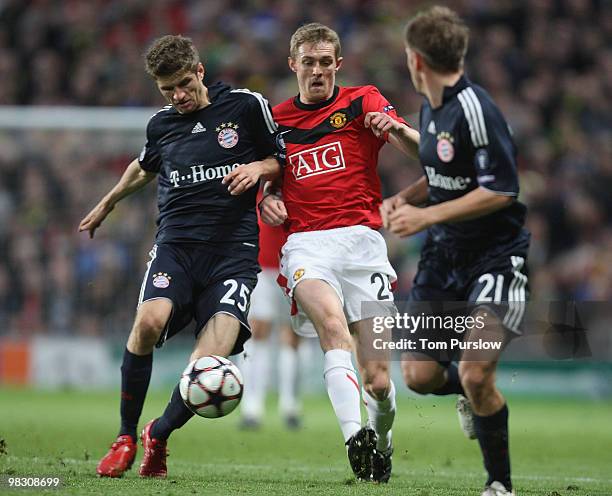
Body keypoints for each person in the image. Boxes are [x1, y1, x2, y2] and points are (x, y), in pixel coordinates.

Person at [79, 34, 284, 479]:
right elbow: (144, 166)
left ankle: (160, 433)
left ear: (200, 73)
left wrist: (258, 169)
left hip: (234, 254)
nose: (179, 96)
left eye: (185, 85)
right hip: (176, 247)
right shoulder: (162, 124)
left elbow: (280, 159)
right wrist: (108, 201)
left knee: (208, 364)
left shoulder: (246, 107)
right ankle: (125, 435)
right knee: (148, 323)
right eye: (167, 89)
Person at [225, 22, 419, 483]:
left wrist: (394, 127)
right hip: (307, 244)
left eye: (325, 62)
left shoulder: (363, 100)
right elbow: (264, 178)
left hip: (364, 245)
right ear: (293, 65)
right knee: (332, 326)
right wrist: (265, 199)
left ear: (338, 64)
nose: (317, 71)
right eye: (308, 63)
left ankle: (381, 440)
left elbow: (423, 152)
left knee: (379, 382)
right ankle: (355, 438)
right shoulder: (275, 121)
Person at [372, 7, 529, 496]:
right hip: (444, 260)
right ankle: (466, 391)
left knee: (476, 370)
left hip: (495, 257)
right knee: (419, 377)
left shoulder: (476, 109)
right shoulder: (430, 106)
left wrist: (425, 217)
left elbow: (501, 190)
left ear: (415, 59)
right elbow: (443, 176)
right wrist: (406, 198)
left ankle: (498, 484)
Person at [240, 199, 302, 430]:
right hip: (262, 264)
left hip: (293, 263)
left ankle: (290, 406)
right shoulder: (262, 174)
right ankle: (252, 407)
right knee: (259, 332)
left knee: (291, 335)